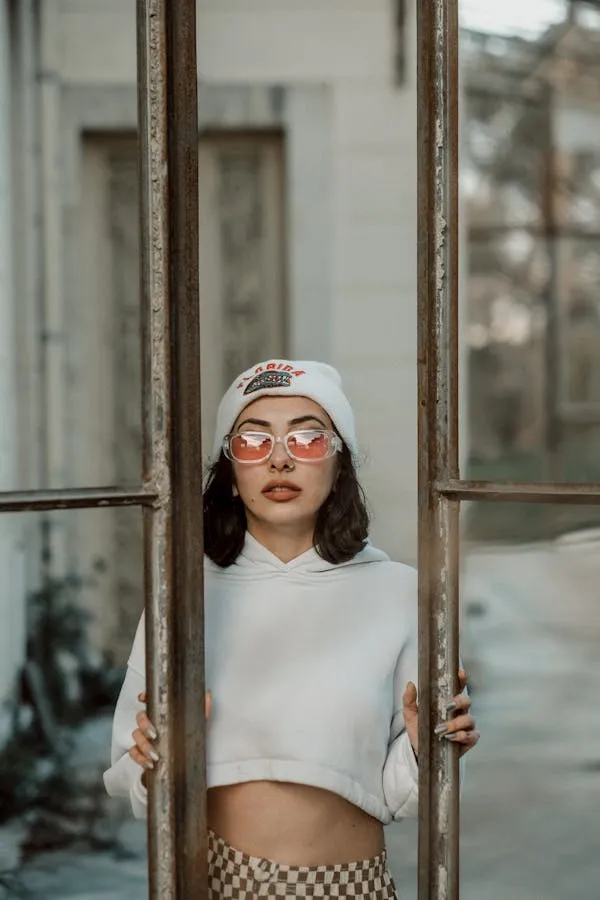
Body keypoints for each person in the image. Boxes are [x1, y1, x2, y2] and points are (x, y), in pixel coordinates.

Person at [104, 359, 479, 899]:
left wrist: (427, 749)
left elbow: (398, 796)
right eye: (254, 442)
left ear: (339, 465)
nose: (280, 459)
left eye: (307, 439)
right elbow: (129, 777)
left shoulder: (400, 592)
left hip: (352, 885)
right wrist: (152, 757)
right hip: (212, 882)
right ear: (231, 476)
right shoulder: (183, 596)